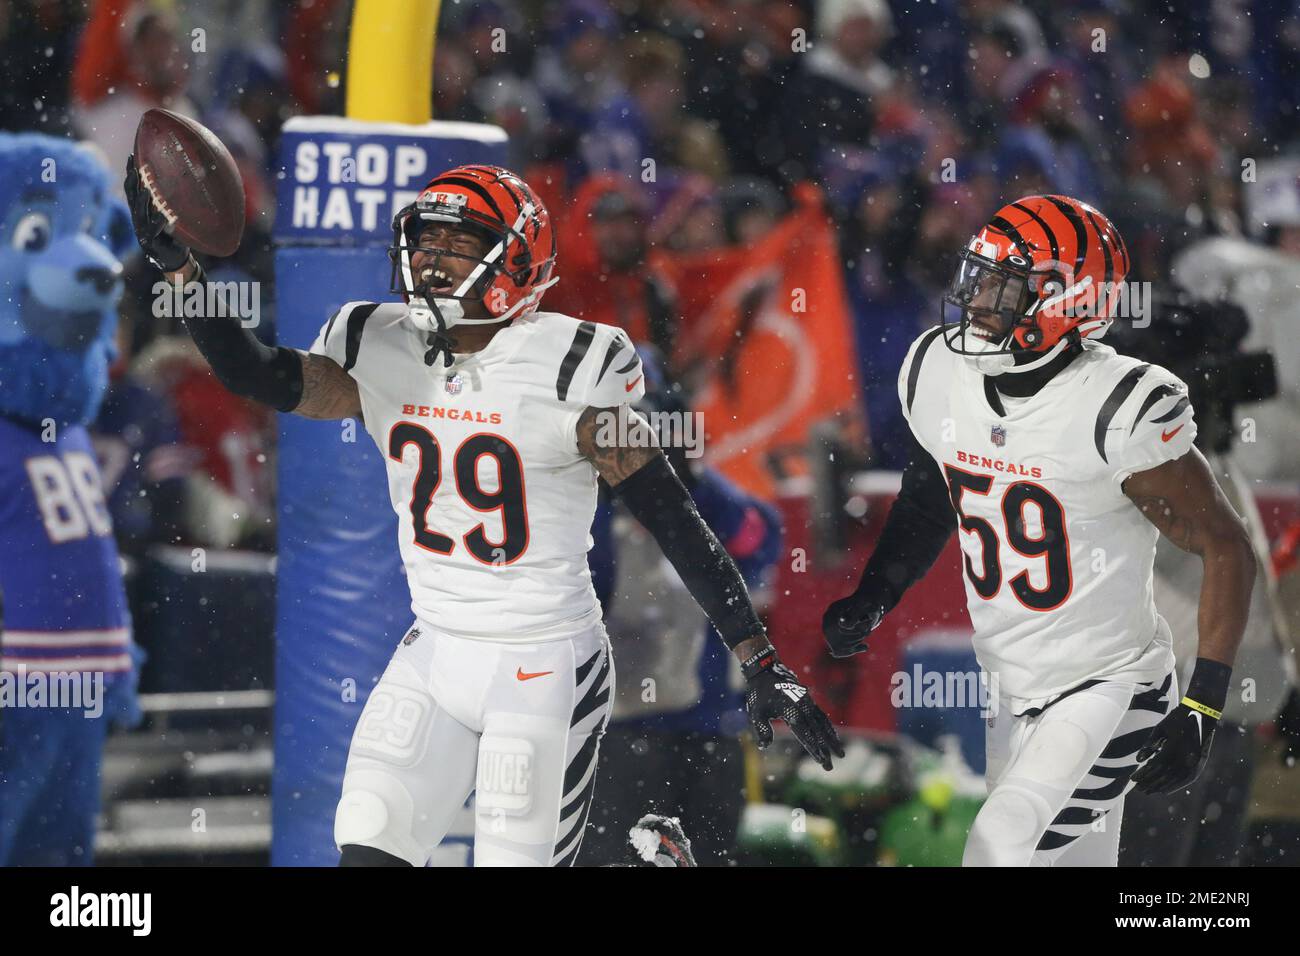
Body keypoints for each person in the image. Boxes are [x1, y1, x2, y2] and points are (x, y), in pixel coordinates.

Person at [125, 160, 843, 867]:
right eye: (426, 241)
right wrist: (184, 273)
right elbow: (256, 372)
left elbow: (673, 517)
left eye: (458, 243)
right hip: (435, 650)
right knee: (367, 842)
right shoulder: (379, 343)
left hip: (545, 661)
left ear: (515, 260)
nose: (432, 260)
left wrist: (760, 658)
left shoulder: (570, 364)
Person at [822, 195, 1256, 866]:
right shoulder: (942, 371)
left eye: (1001, 285)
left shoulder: (1115, 405)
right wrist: (878, 591)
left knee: (999, 845)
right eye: (979, 277)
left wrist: (1203, 703)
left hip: (1112, 687)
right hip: (1014, 689)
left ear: (1064, 299)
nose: (975, 300)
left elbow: (1226, 544)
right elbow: (933, 489)